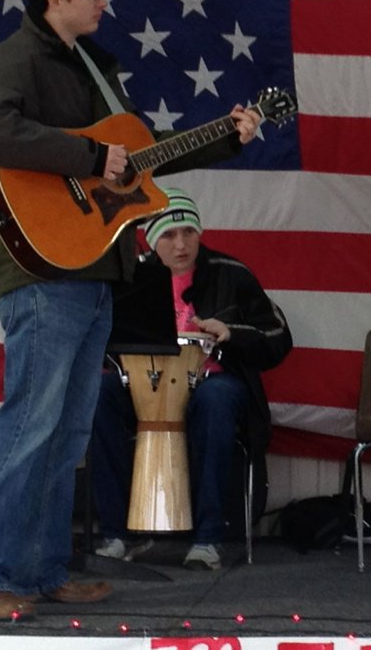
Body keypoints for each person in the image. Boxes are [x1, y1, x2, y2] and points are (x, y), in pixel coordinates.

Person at [0, 0, 261, 620]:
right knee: (31, 424)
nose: (103, 3)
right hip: (41, 265)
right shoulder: (16, 58)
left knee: (66, 431)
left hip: (96, 266)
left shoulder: (95, 66)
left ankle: (38, 570)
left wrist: (226, 138)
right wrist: (91, 153)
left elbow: (137, 166)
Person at [88, 188, 293, 570]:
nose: (181, 245)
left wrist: (231, 333)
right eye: (168, 235)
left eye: (189, 233)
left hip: (211, 381)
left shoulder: (231, 273)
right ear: (150, 239)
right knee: (98, 395)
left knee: (215, 401)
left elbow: (280, 339)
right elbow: (99, 337)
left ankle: (208, 540)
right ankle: (115, 533)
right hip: (142, 384)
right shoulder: (129, 276)